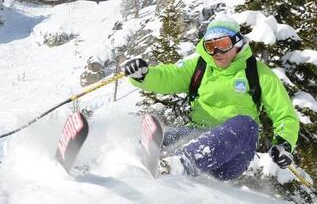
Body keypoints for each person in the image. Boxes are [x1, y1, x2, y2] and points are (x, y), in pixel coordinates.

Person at [123, 16, 299, 180]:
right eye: (210, 46)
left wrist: (284, 143)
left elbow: (284, 114)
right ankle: (134, 159)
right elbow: (169, 76)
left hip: (233, 156)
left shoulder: (258, 73)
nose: (216, 51)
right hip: (196, 134)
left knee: (246, 124)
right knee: (168, 139)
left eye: (222, 44)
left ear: (237, 43)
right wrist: (143, 75)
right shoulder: (200, 66)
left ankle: (181, 165)